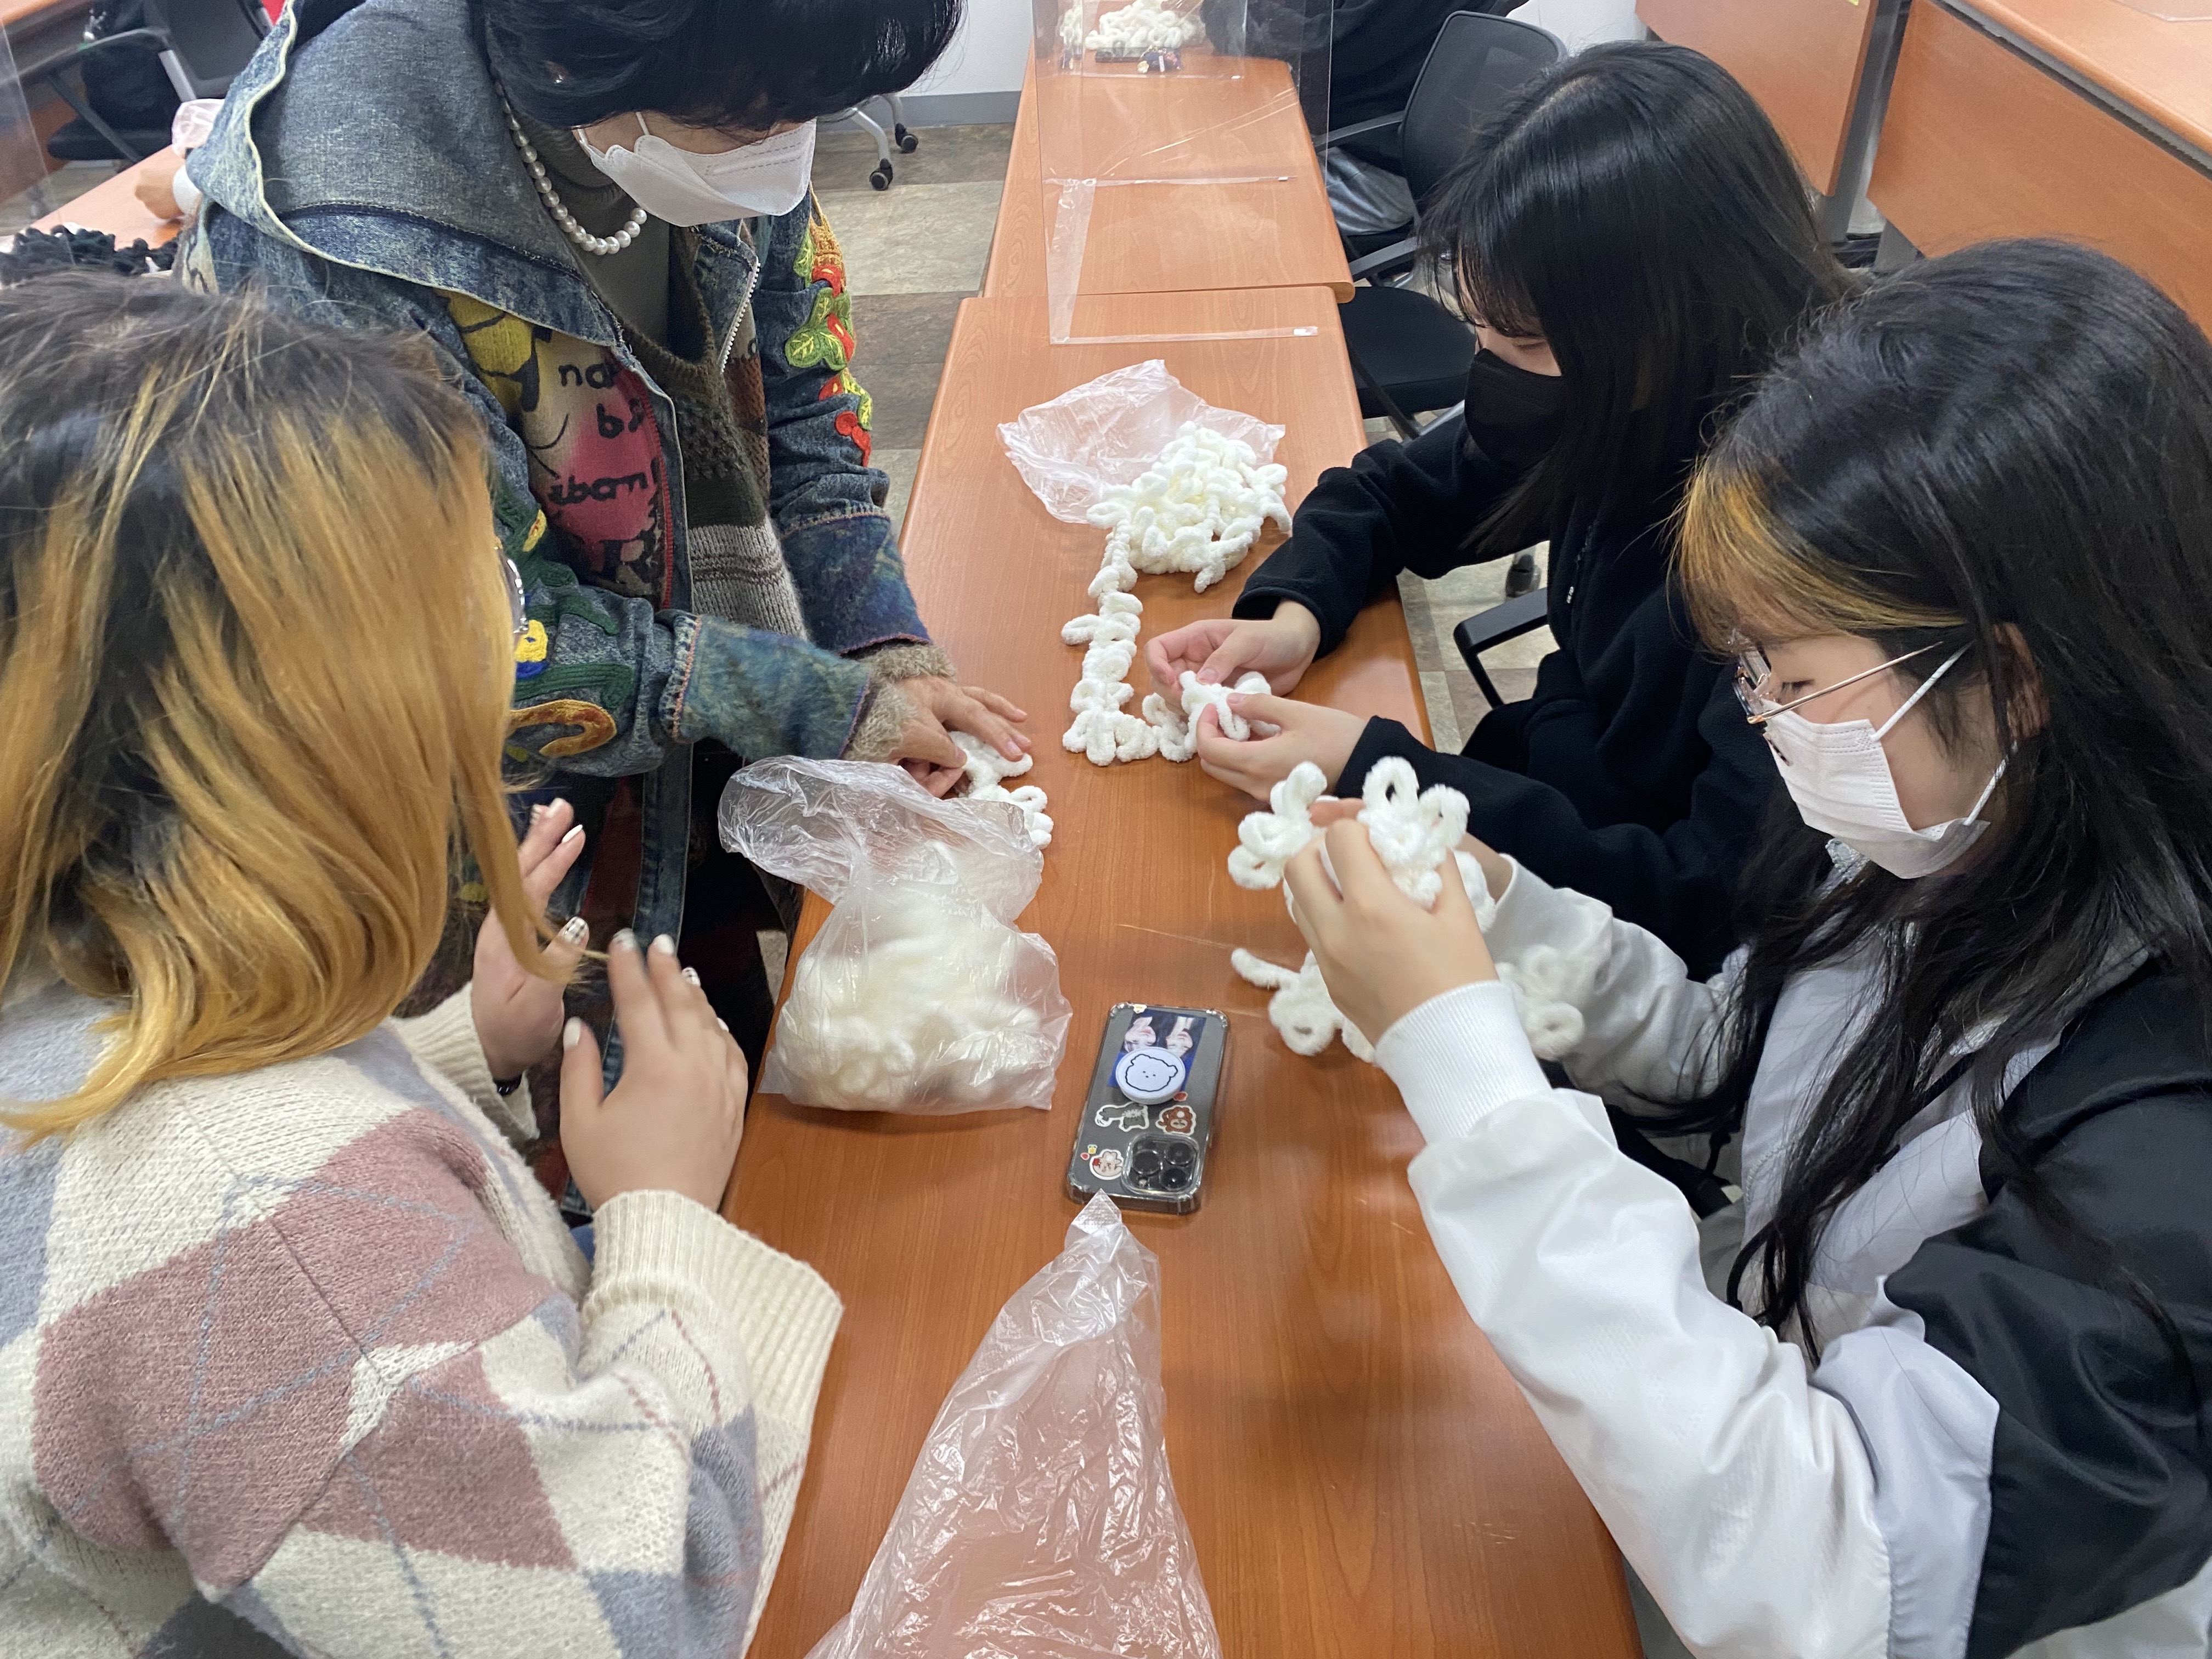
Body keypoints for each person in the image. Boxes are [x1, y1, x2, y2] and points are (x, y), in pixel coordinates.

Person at [1290, 241, 2212, 1656]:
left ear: (2014, 676)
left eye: (1793, 675)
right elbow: (1758, 1068)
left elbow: (1844, 1573)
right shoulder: (1958, 820)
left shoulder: (2169, 1130)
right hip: (1774, 1373)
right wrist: (1513, 924)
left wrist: (1467, 1071)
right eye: (1748, 671)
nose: (1762, 715)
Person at [0, 274, 837, 1656]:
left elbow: (169, 1163)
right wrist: (663, 1213)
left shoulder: (71, 981)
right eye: (484, 603)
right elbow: (639, 1621)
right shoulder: (270, 1237)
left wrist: (454, 1052)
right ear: (324, 725)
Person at [178, 0, 1029, 1064]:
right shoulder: (329, 244)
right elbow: (475, 641)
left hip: (680, 733)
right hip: (499, 844)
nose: (786, 153)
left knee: (729, 1041)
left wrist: (876, 640)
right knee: (576, 1094)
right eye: (754, 121)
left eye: (807, 112)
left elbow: (806, 399)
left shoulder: (739, 78)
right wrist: (813, 702)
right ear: (584, 64)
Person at [1148, 42, 1855, 977]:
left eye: (1523, 343)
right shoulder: (1627, 398)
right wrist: (1295, 615)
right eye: (1480, 331)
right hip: (1545, 788)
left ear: (1665, 327)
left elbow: (1702, 904)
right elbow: (1392, 492)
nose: (1491, 371)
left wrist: (1386, 772)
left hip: (1610, 919)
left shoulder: (1812, 560)